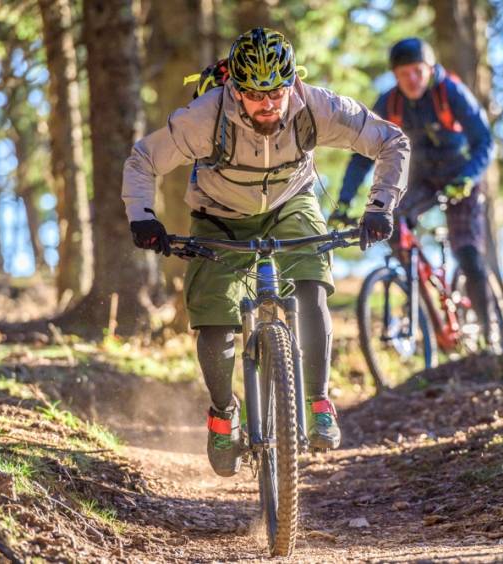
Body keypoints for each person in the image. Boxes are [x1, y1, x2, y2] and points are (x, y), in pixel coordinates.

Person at [122, 28, 410, 477]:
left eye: (276, 92)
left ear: (292, 82)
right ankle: (223, 414)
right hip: (219, 214)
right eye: (256, 95)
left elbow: (392, 141)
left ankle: (318, 401)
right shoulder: (205, 116)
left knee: (313, 286)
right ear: (235, 88)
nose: (268, 104)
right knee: (215, 318)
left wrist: (380, 206)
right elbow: (144, 159)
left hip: (291, 202)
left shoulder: (317, 106)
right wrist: (142, 217)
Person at [333, 37, 496, 347]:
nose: (411, 79)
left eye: (417, 71)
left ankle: (492, 337)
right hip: (420, 180)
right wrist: (343, 201)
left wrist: (468, 177)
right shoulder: (389, 103)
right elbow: (362, 155)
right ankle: (426, 312)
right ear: (395, 75)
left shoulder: (450, 93)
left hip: (459, 177)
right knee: (391, 223)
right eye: (404, 73)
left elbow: (484, 141)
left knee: (468, 253)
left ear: (430, 69)